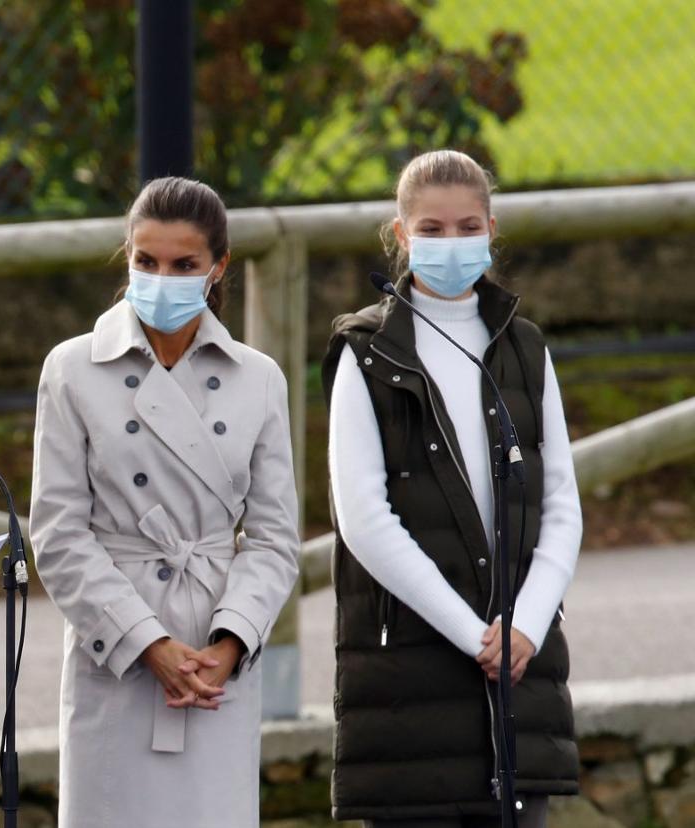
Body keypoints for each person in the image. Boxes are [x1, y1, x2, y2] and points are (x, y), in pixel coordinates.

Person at [29, 176, 301, 827]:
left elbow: (274, 537)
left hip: (215, 662)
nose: (161, 278)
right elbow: (59, 534)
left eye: (184, 265)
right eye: (145, 261)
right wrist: (147, 643)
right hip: (116, 649)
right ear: (126, 256)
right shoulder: (70, 369)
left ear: (218, 268)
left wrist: (230, 642)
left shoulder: (258, 379)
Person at [323, 150, 582, 826]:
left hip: (521, 675)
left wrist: (524, 626)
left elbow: (561, 507)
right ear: (401, 235)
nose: (451, 243)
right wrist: (475, 636)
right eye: (431, 230)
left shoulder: (526, 347)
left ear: (492, 230)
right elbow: (364, 519)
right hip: (412, 671)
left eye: (467, 226)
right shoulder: (366, 352)